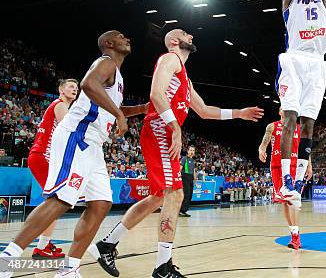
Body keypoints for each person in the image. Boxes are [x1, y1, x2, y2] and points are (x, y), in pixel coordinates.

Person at [89, 29, 263, 278]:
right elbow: (156, 94)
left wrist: (238, 113)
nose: (190, 35)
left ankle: (107, 244)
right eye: (184, 33)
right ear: (174, 41)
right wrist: (174, 126)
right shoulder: (170, 59)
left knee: (158, 197)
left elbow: (203, 110)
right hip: (160, 130)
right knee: (175, 193)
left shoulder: (184, 76)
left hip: (164, 132)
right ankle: (163, 266)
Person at [0, 30, 148, 278]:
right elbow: (88, 85)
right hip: (77, 137)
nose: (128, 38)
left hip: (94, 146)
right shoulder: (106, 62)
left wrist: (140, 108)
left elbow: (111, 107)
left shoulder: (117, 75)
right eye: (120, 36)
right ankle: (7, 260)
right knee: (61, 199)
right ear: (108, 44)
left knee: (101, 204)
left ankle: (69, 269)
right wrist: (120, 115)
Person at [276, 0, 326, 208]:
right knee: (290, 119)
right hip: (295, 59)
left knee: (308, 124)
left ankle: (297, 183)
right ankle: (285, 182)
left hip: (317, 64)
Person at [27, 78, 79, 259]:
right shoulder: (59, 105)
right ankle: (39, 246)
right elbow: (71, 130)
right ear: (61, 90)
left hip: (41, 156)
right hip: (43, 156)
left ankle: (44, 243)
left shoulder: (60, 106)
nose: (75, 89)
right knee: (55, 202)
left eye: (76, 87)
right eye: (71, 86)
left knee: (55, 202)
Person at [258, 109, 312, 249]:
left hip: (295, 166)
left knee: (292, 200)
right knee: (285, 201)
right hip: (277, 166)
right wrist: (262, 149)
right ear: (279, 111)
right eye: (283, 107)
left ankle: (295, 236)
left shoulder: (299, 128)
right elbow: (264, 142)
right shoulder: (272, 126)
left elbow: (305, 149)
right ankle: (294, 232)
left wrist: (309, 166)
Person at [179, 146, 196, 217]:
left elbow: (193, 170)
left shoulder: (193, 160)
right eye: (190, 150)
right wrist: (178, 178)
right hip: (185, 177)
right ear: (188, 151)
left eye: (193, 150)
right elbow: (180, 168)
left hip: (191, 178)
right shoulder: (184, 158)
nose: (192, 152)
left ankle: (184, 210)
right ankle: (181, 210)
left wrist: (195, 178)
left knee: (190, 195)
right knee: (186, 194)